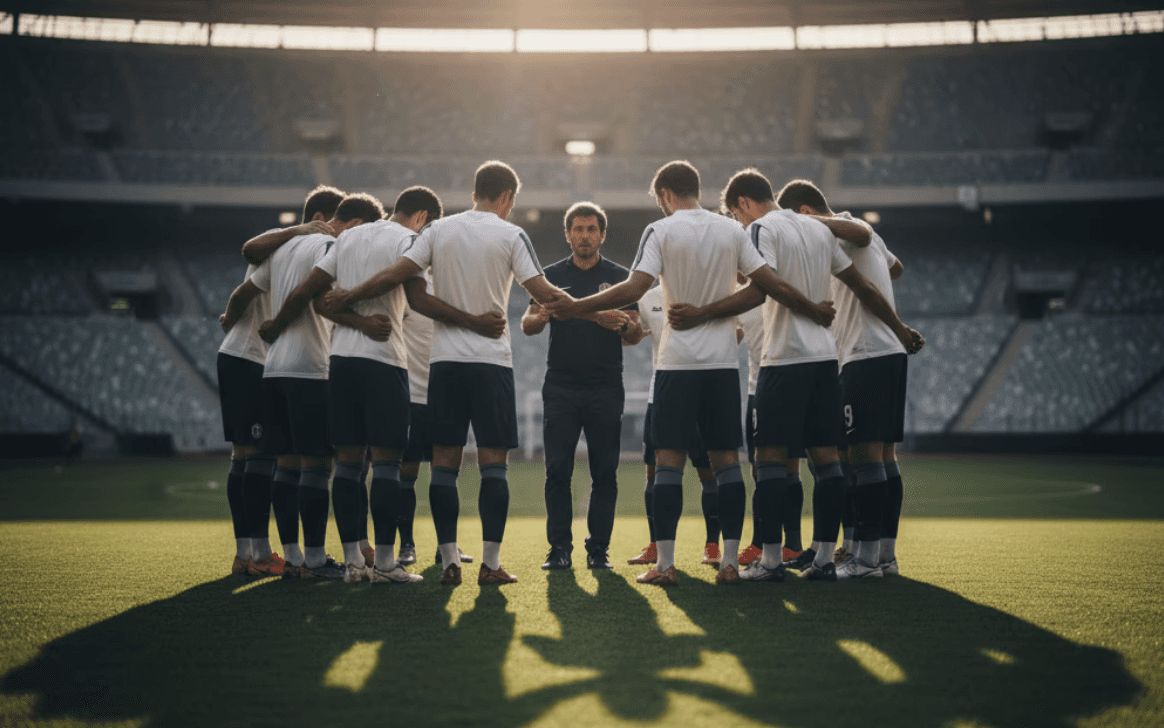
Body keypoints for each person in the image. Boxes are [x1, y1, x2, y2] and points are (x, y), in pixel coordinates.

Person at [545, 160, 836, 587]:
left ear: (664, 194)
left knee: (667, 466)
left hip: (677, 365)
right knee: (727, 465)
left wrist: (576, 306)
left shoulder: (661, 231)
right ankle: (731, 563)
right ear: (696, 189)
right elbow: (762, 286)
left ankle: (665, 565)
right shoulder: (732, 230)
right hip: (722, 365)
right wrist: (803, 309)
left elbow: (634, 287)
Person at [668, 169, 922, 582]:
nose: (740, 225)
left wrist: (701, 313)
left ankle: (771, 562)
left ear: (744, 204)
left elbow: (760, 288)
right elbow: (863, 285)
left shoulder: (762, 229)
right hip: (826, 359)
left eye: (737, 216)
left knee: (769, 458)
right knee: (827, 461)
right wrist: (899, 328)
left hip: (785, 359)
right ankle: (823, 559)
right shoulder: (819, 231)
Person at [324, 161, 567, 587]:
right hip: (492, 362)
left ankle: (450, 559)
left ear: (475, 191)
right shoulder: (511, 234)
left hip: (445, 364)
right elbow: (545, 293)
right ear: (508, 197)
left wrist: (352, 296)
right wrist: (595, 312)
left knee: (443, 467)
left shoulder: (436, 231)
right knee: (494, 466)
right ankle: (491, 566)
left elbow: (410, 291)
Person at [234, 193, 380, 579]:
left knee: (285, 466)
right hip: (311, 368)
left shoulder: (283, 250)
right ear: (355, 224)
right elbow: (315, 300)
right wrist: (364, 324)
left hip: (274, 369)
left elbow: (249, 285)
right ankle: (315, 560)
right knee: (317, 467)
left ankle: (293, 559)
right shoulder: (333, 247)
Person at [778, 180, 911, 575]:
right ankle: (884, 554)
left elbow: (861, 232)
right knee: (884, 456)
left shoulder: (843, 227)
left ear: (803, 212)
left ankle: (866, 558)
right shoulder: (851, 240)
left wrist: (817, 223)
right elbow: (896, 267)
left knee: (864, 457)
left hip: (865, 352)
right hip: (885, 351)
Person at [217, 185, 343, 578]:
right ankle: (255, 553)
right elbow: (245, 272)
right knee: (257, 456)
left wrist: (232, 318)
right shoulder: (289, 245)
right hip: (252, 355)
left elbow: (242, 293)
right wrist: (232, 320)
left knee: (248, 455)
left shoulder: (303, 250)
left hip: (253, 357)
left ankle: (251, 552)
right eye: (338, 222)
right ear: (323, 218)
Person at [521, 202, 642, 571]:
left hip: (606, 386)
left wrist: (624, 326)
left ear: (602, 234)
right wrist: (539, 317)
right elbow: (527, 323)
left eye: (592, 229)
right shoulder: (550, 276)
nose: (585, 236)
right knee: (557, 470)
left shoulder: (622, 278)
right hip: (560, 386)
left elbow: (636, 333)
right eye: (578, 229)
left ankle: (598, 551)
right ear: (568, 234)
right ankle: (559, 550)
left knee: (605, 472)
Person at [624, 282, 725, 569]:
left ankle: (712, 546)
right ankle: (657, 545)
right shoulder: (649, 297)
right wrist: (622, 327)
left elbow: (737, 331)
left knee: (708, 472)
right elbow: (632, 335)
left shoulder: (707, 290)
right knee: (654, 472)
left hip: (702, 394)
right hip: (661, 394)